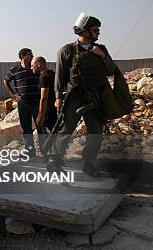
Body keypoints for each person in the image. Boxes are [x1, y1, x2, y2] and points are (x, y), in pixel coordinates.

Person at [50, 13, 117, 175]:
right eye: (95, 30)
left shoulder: (101, 50)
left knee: (95, 132)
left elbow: (111, 71)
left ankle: (89, 164)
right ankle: (55, 161)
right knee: (66, 129)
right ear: (84, 31)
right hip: (75, 96)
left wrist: (103, 56)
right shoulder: (67, 51)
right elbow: (60, 77)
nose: (98, 33)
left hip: (96, 97)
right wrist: (58, 98)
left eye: (98, 30)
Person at [3, 48, 41, 156]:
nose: (32, 56)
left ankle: (45, 150)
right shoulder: (15, 70)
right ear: (23, 56)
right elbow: (6, 80)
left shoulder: (35, 69)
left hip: (36, 103)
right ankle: (30, 150)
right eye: (30, 54)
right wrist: (13, 94)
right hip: (23, 104)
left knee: (40, 126)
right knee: (26, 128)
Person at [31, 56, 57, 132]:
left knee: (48, 138)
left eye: (33, 65)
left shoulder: (44, 77)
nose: (31, 68)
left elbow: (44, 97)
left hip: (48, 113)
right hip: (55, 111)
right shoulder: (53, 74)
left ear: (38, 64)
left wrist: (40, 116)